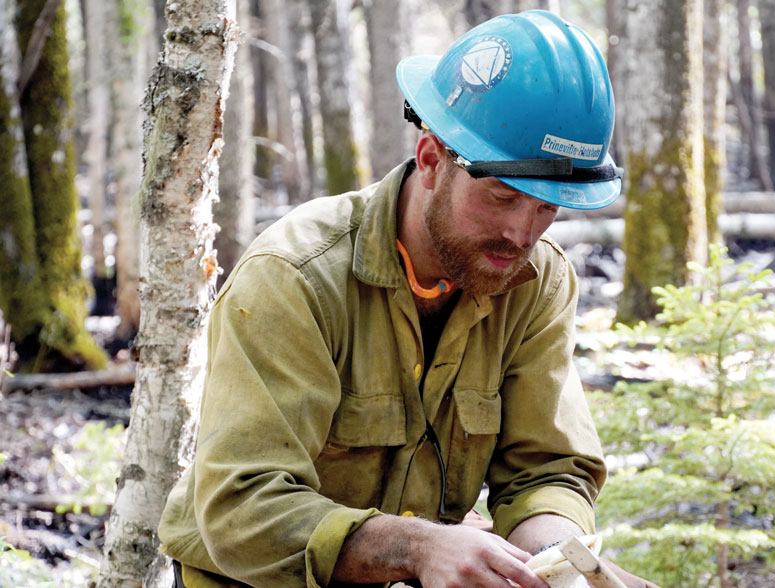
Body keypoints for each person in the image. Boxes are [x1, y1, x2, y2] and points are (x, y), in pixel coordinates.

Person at [158, 9, 658, 588]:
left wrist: (559, 564)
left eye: (547, 206)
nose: (523, 234)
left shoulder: (536, 281)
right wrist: (418, 548)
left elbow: (544, 468)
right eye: (501, 197)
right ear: (429, 160)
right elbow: (241, 508)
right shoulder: (295, 277)